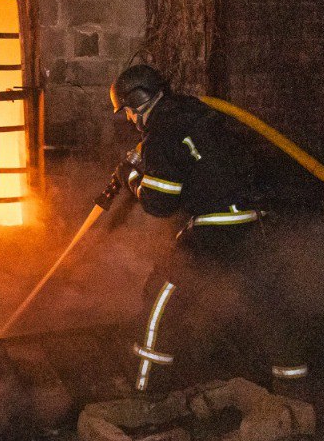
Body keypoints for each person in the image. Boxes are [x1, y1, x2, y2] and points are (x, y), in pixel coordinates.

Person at [108, 64, 308, 392]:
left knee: (161, 296)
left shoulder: (163, 132)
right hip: (253, 221)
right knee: (269, 306)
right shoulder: (199, 113)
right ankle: (294, 392)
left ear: (140, 101)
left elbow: (160, 203)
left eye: (128, 112)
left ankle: (146, 389)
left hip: (215, 228)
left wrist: (131, 178)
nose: (129, 120)